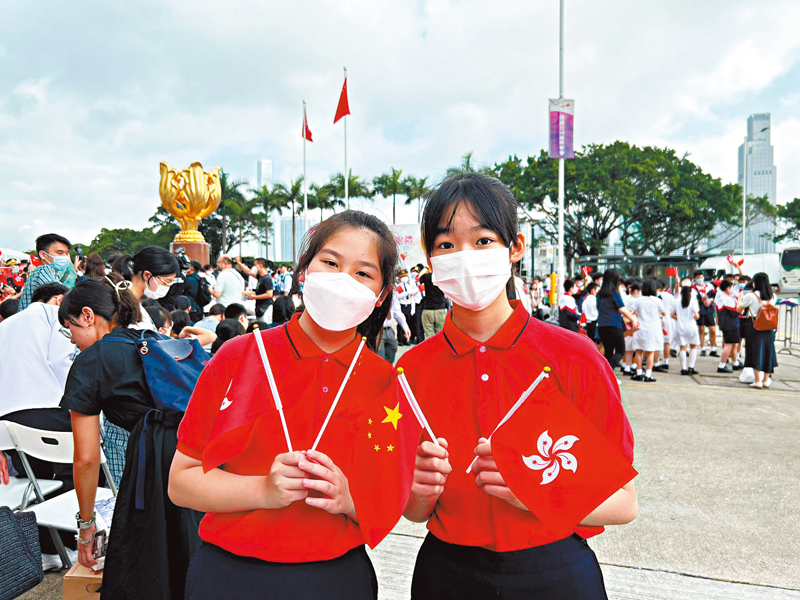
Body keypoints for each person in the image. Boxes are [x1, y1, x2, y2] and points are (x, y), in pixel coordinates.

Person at [399, 173, 637, 599]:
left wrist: (539, 493)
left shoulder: (573, 356)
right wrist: (417, 491)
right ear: (431, 259)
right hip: (448, 572)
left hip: (555, 568)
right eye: (446, 245)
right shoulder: (412, 369)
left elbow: (624, 501)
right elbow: (416, 511)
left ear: (515, 248)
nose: (464, 256)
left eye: (483, 240)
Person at [169, 210, 409, 600]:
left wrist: (349, 500)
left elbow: (392, 500)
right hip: (230, 575)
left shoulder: (385, 382)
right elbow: (181, 481)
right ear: (303, 272)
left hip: (336, 577)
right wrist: (263, 490)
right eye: (330, 263)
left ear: (380, 295)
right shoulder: (239, 356)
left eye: (363, 273)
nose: (343, 280)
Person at [58, 278, 202, 600]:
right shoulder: (150, 339)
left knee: (148, 564)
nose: (73, 341)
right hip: (197, 450)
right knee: (191, 549)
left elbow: (86, 457)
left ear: (87, 316)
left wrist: (86, 528)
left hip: (156, 456)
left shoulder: (91, 360)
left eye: (70, 329)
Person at [112, 247, 181, 330]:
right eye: (166, 282)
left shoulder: (134, 302)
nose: (167, 287)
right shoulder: (123, 306)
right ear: (147, 275)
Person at [737, 272, 778, 389]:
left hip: (755, 328)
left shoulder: (751, 296)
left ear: (755, 282)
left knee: (755, 352)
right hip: (769, 329)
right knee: (767, 353)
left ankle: (757, 380)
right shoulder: (773, 297)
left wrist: (740, 299)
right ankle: (766, 380)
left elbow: (739, 310)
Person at [596, 269, 639, 371]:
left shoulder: (599, 294)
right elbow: (622, 309)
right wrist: (633, 319)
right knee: (620, 351)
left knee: (608, 352)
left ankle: (605, 376)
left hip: (602, 327)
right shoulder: (614, 293)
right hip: (614, 326)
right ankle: (606, 373)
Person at [18, 233, 74, 311]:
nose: (65, 257)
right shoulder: (43, 270)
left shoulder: (52, 273)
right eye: (60, 253)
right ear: (43, 255)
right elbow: (60, 293)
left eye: (66, 253)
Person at [628, 279, 665, 382]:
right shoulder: (657, 300)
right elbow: (664, 313)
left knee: (638, 351)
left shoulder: (638, 300)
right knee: (650, 352)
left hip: (640, 328)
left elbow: (631, 312)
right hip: (653, 328)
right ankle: (648, 374)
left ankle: (639, 372)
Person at [673, 279, 701, 375]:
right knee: (693, 346)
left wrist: (679, 317)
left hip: (680, 327)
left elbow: (672, 314)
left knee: (682, 347)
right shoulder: (693, 301)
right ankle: (691, 367)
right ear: (690, 292)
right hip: (691, 326)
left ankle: (683, 369)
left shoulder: (676, 301)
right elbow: (696, 316)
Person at [714, 280, 742, 373]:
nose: (732, 289)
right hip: (730, 324)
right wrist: (741, 298)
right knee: (728, 345)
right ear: (727, 288)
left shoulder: (723, 296)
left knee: (734, 344)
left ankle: (735, 363)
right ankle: (721, 365)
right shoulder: (726, 299)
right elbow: (736, 310)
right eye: (731, 287)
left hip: (729, 324)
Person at [379, 289, 411, 363]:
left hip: (389, 329)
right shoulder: (375, 290)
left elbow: (397, 311)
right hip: (377, 330)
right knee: (380, 355)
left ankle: (388, 372)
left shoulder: (392, 293)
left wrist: (405, 326)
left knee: (392, 350)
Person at [692, 271, 718, 357]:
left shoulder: (709, 287)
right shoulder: (693, 289)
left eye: (702, 277)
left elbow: (715, 296)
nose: (701, 279)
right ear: (695, 279)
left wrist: (711, 300)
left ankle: (713, 348)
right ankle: (702, 348)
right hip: (700, 310)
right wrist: (701, 301)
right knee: (701, 329)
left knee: (713, 330)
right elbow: (692, 300)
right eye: (699, 277)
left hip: (709, 310)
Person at [419, 263, 448, 338]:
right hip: (440, 308)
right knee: (441, 334)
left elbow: (417, 278)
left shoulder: (427, 277)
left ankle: (431, 349)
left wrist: (425, 268)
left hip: (428, 309)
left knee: (429, 335)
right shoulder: (443, 277)